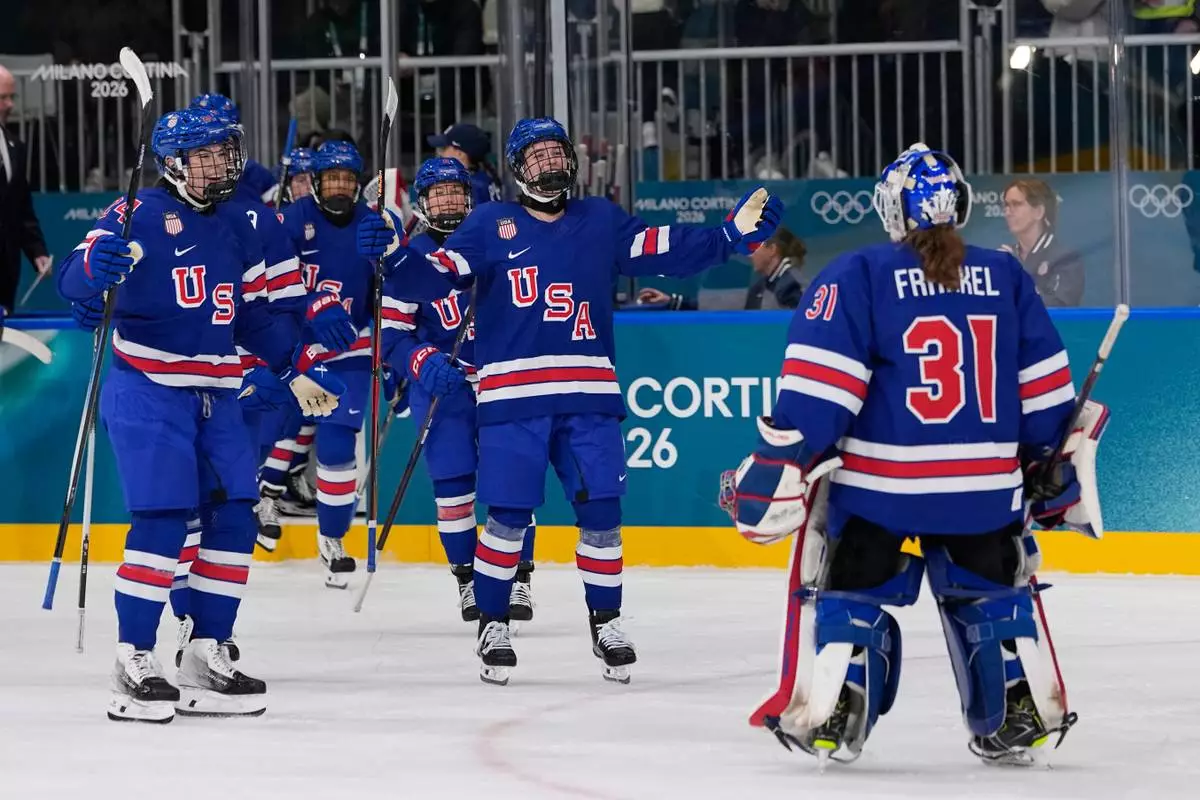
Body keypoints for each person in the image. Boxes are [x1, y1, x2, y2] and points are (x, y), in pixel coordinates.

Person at [719, 143, 1109, 767]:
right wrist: (1043, 461)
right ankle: (1014, 702)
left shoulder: (858, 273)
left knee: (850, 587)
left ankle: (840, 702)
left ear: (890, 207)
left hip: (882, 489)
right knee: (991, 593)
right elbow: (1045, 391)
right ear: (958, 205)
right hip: (984, 490)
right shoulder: (1006, 275)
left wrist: (786, 454)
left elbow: (823, 391)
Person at [359, 116, 782, 686]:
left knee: (602, 514)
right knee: (508, 517)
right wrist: (392, 257)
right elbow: (433, 278)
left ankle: (606, 621)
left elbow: (665, 248)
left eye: (554, 154)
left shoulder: (600, 219)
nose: (547, 165)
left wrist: (729, 237)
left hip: (588, 394)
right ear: (515, 170)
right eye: (533, 158)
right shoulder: (489, 223)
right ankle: (493, 620)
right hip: (513, 398)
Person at [56, 108, 346, 723]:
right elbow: (71, 282)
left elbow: (251, 318)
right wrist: (93, 272)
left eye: (224, 153)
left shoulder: (244, 218)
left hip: (217, 392)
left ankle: (203, 654)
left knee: (236, 520)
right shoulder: (132, 214)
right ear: (172, 163)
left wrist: (296, 362)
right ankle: (134, 658)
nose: (218, 165)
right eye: (204, 156)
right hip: (150, 388)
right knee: (163, 523)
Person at [381, 157, 538, 624]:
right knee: (453, 489)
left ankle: (519, 578)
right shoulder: (411, 258)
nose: (449, 200)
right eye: (438, 193)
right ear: (423, 203)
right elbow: (390, 336)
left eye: (456, 191)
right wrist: (422, 362)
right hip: (442, 390)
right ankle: (468, 581)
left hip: (501, 384)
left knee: (512, 485)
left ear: (470, 197)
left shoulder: (500, 244)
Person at [280, 139, 398, 588]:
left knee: (335, 445)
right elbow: (270, 278)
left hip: (350, 350)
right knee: (266, 434)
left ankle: (332, 538)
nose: (341, 187)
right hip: (294, 351)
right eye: (333, 179)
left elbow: (392, 292)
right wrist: (313, 307)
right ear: (315, 182)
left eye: (349, 180)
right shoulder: (292, 221)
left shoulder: (375, 224)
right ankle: (256, 506)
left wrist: (389, 353)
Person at [637, 225, 807, 310]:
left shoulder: (791, 284)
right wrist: (672, 301)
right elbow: (728, 302)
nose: (749, 253)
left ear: (772, 250)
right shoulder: (764, 284)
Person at [0, 63, 51, 313]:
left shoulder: (14, 146)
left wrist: (37, 252)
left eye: (11, 97)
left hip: (6, 281)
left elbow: (20, 209)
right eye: (2, 98)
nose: (10, 105)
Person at [1001, 177, 1084, 307]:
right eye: (1006, 205)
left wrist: (1018, 272)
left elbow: (1060, 306)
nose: (1008, 212)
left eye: (1016, 204)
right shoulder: (1005, 257)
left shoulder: (1066, 258)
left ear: (1038, 212)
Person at [189, 93, 277, 204]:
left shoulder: (256, 174)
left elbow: (276, 215)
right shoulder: (180, 182)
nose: (216, 144)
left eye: (224, 137)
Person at [428, 123, 503, 207]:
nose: (440, 153)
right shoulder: (482, 178)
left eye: (444, 148)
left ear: (460, 153)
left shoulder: (469, 186)